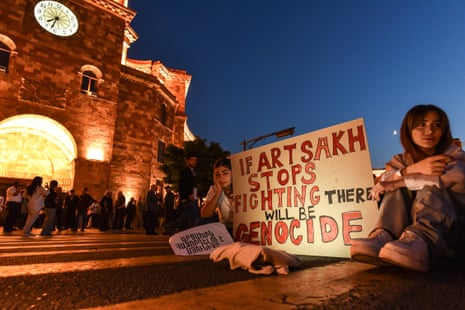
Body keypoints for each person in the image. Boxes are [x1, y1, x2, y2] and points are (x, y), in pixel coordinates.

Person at [350, 104, 465, 272]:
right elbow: (383, 180)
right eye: (422, 125)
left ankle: (420, 240)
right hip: (403, 234)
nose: (430, 131)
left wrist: (401, 181)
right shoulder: (401, 159)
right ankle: (384, 235)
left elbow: (456, 177)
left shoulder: (453, 154)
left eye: (436, 125)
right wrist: (410, 170)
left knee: (431, 187)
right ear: (409, 130)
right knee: (393, 190)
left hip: (453, 232)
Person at [166, 153, 200, 231]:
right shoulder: (185, 171)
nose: (194, 162)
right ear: (187, 161)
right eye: (192, 160)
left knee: (191, 214)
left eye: (195, 160)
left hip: (193, 196)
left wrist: (195, 196)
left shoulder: (193, 172)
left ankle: (190, 230)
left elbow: (193, 185)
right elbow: (183, 184)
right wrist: (187, 195)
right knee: (191, 214)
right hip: (189, 197)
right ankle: (172, 225)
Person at [201, 157, 234, 234]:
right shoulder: (214, 189)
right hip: (225, 230)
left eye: (225, 173)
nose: (221, 177)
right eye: (217, 175)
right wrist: (218, 192)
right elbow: (205, 215)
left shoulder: (244, 186)